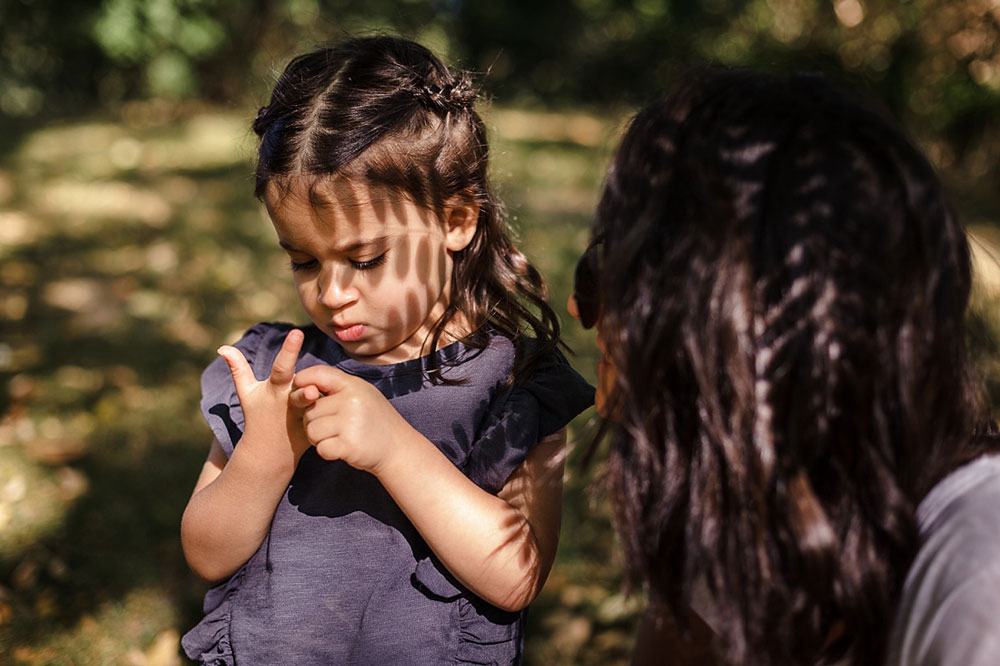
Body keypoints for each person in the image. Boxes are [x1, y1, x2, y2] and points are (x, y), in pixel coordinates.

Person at [180, 36, 593, 665]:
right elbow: (207, 554)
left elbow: (516, 577)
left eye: (366, 259)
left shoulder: (515, 385)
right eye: (304, 261)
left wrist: (394, 447)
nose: (333, 293)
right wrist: (265, 454)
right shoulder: (273, 374)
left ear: (455, 220)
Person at [568, 67, 1000, 666]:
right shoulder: (761, 501)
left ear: (730, 312)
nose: (577, 307)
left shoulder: (981, 577)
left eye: (611, 270)